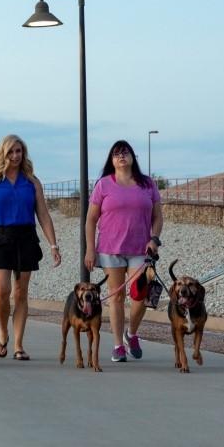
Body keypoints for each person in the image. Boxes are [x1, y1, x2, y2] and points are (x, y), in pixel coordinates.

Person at [0, 135, 62, 360]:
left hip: (25, 237)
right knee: (2, 291)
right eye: (10, 152)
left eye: (19, 151)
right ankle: (3, 334)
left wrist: (53, 245)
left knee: (21, 293)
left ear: (24, 153)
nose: (15, 156)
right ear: (3, 154)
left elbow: (43, 214)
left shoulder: (32, 181)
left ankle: (18, 345)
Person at [84, 139, 164, 363]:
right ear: (111, 159)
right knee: (116, 297)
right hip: (110, 247)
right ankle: (118, 345)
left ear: (132, 157)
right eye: (117, 153)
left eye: (125, 152)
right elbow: (91, 220)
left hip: (141, 248)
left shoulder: (148, 184)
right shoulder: (103, 185)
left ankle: (132, 333)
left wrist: (155, 239)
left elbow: (158, 217)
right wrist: (91, 249)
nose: (121, 156)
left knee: (140, 295)